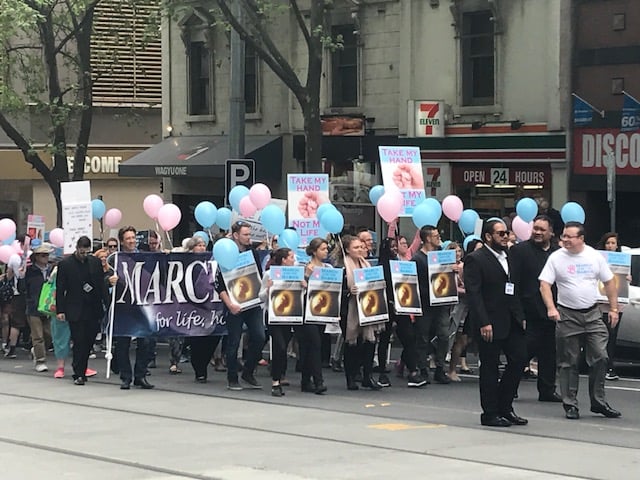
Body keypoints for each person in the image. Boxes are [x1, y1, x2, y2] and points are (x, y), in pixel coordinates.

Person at [539, 221, 621, 420]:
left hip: (592, 314)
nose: (564, 240)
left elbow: (609, 282)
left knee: (601, 357)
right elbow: (544, 284)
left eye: (569, 237)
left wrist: (614, 308)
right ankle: (570, 404)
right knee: (569, 362)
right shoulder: (556, 258)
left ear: (581, 239)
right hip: (567, 315)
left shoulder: (594, 256)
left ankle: (598, 402)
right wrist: (551, 308)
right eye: (563, 236)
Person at [464, 219, 528, 427]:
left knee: (519, 359)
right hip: (490, 321)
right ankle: (490, 412)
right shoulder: (476, 259)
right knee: (490, 367)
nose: (505, 237)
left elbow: (514, 287)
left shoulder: (509, 256)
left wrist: (521, 316)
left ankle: (505, 406)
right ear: (488, 237)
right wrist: (484, 322)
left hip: (511, 318)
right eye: (500, 233)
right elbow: (474, 294)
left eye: (507, 233)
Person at [510, 215, 562, 402]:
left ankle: (547, 390)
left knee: (549, 353)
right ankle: (510, 387)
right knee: (522, 353)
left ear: (551, 232)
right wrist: (517, 312)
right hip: (528, 312)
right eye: (535, 229)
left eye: (542, 230)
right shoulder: (519, 251)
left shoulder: (558, 253)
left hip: (552, 311)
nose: (537, 233)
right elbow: (513, 282)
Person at [216, 221, 266, 391]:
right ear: (236, 235)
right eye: (245, 234)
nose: (249, 238)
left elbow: (258, 276)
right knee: (234, 341)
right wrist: (230, 304)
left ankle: (248, 371)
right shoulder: (226, 253)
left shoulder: (252, 252)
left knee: (260, 336)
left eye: (249, 234)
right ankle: (232, 377)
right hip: (235, 305)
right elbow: (219, 285)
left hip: (252, 302)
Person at [56, 236, 112, 385]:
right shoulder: (65, 264)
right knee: (79, 340)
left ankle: (82, 367)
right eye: (82, 252)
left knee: (89, 341)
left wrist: (107, 303)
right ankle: (79, 372)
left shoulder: (94, 262)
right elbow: (60, 288)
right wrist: (60, 310)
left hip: (93, 307)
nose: (84, 255)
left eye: (87, 252)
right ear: (77, 248)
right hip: (75, 307)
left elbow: (101, 284)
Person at [332, 235, 384, 390]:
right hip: (349, 310)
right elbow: (334, 292)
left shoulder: (366, 264)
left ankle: (368, 376)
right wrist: (348, 292)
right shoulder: (342, 267)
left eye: (361, 247)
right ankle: (351, 377)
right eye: (356, 247)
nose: (360, 250)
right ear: (347, 249)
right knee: (352, 345)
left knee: (369, 343)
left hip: (368, 308)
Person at [379, 237, 426, 388]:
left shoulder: (401, 263)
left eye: (395, 246)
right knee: (384, 339)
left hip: (402, 306)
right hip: (387, 306)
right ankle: (381, 373)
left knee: (409, 338)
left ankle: (413, 372)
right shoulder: (382, 265)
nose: (394, 248)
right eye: (391, 246)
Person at [114, 226, 155, 389]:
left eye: (133, 237)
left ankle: (140, 375)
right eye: (128, 238)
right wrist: (110, 281)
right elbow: (104, 277)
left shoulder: (144, 256)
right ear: (122, 241)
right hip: (123, 306)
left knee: (145, 342)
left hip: (143, 305)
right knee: (123, 343)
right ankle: (126, 377)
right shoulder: (115, 258)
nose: (131, 241)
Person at [412, 225, 451, 384]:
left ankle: (440, 367)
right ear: (427, 238)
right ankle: (422, 369)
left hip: (440, 302)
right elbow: (412, 282)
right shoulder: (417, 259)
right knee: (422, 336)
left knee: (443, 334)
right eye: (435, 236)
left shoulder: (441, 256)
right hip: (425, 303)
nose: (438, 238)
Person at [297, 238, 330, 394]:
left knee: (312, 346)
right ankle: (318, 381)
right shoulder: (305, 267)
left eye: (326, 249)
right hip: (307, 310)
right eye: (323, 249)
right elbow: (299, 288)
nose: (326, 251)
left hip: (322, 310)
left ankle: (305, 380)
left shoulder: (328, 267)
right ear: (314, 251)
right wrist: (307, 276)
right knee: (314, 343)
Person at [596, 232, 625, 381]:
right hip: (602, 304)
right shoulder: (598, 259)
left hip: (617, 305)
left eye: (613, 243)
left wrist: (627, 279)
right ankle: (603, 366)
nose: (610, 246)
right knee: (602, 336)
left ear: (617, 245)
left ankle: (609, 367)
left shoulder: (623, 261)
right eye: (608, 243)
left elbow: (625, 283)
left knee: (612, 336)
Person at [24, 244, 54, 372]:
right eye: (43, 255)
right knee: (38, 335)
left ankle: (36, 350)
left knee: (49, 334)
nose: (46, 257)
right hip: (34, 307)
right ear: (36, 257)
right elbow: (23, 288)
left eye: (47, 255)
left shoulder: (51, 270)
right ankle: (40, 360)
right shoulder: (29, 271)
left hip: (48, 306)